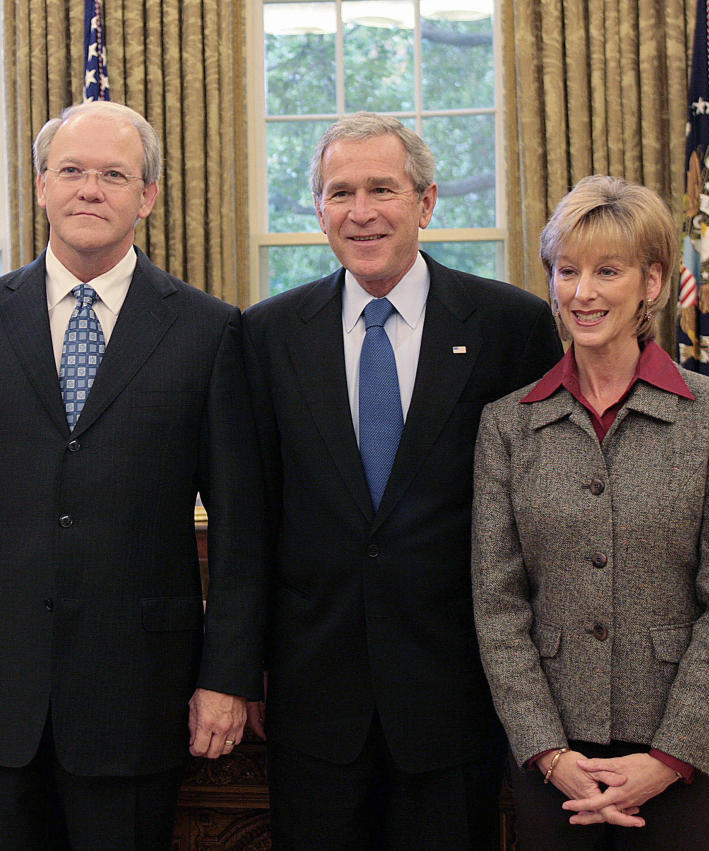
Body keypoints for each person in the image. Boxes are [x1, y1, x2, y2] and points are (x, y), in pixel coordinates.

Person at [0, 100, 264, 850]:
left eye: (114, 174)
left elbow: (242, 525)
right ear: (40, 186)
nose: (90, 189)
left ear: (147, 196)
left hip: (139, 690)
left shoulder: (207, 328)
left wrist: (227, 676)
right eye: (72, 171)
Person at [242, 112, 563, 849]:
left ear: (426, 201)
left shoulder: (509, 325)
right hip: (313, 696)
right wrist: (242, 665)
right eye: (340, 191)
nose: (362, 211)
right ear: (318, 209)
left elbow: (539, 514)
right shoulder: (266, 335)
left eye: (382, 188)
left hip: (455, 694)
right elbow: (251, 516)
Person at [471, 174, 709, 849]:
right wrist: (549, 752)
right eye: (567, 271)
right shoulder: (507, 425)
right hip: (553, 756)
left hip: (680, 753)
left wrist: (667, 759)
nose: (583, 292)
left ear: (652, 283)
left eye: (607, 270)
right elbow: (498, 605)